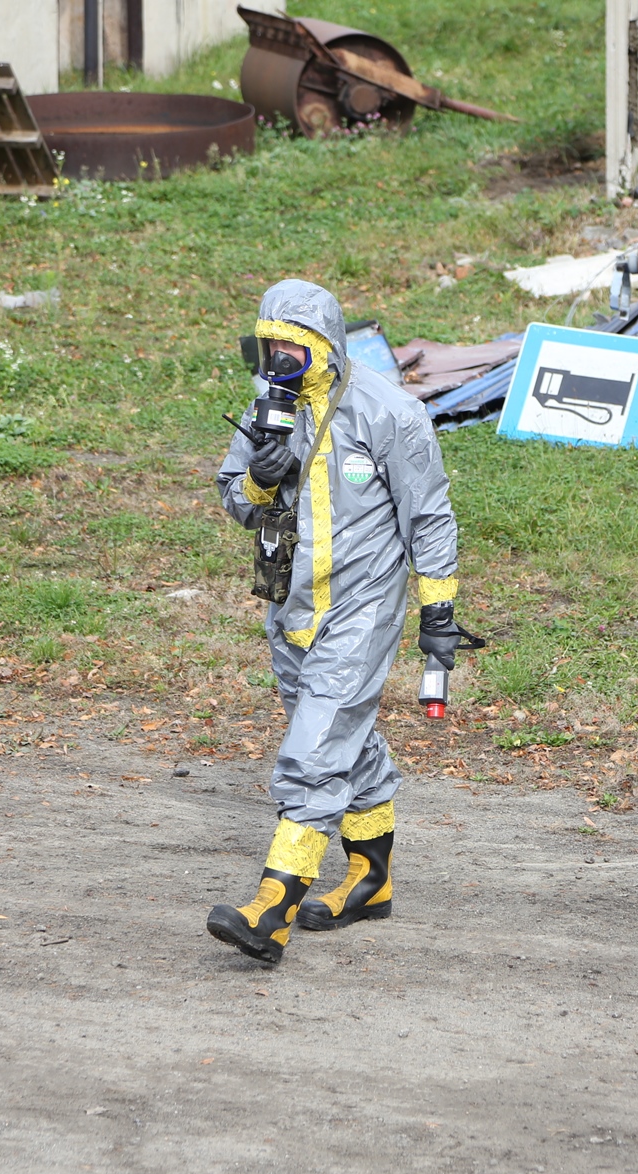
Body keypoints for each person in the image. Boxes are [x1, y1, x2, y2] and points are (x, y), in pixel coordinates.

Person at [207, 279, 469, 965]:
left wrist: (437, 610)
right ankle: (369, 880)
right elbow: (235, 497)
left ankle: (273, 904)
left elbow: (430, 517)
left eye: (290, 351)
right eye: (268, 352)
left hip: (362, 608)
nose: (278, 366)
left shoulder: (390, 413)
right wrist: (263, 478)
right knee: (341, 731)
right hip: (291, 604)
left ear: (324, 345)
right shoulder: (269, 408)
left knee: (315, 748)